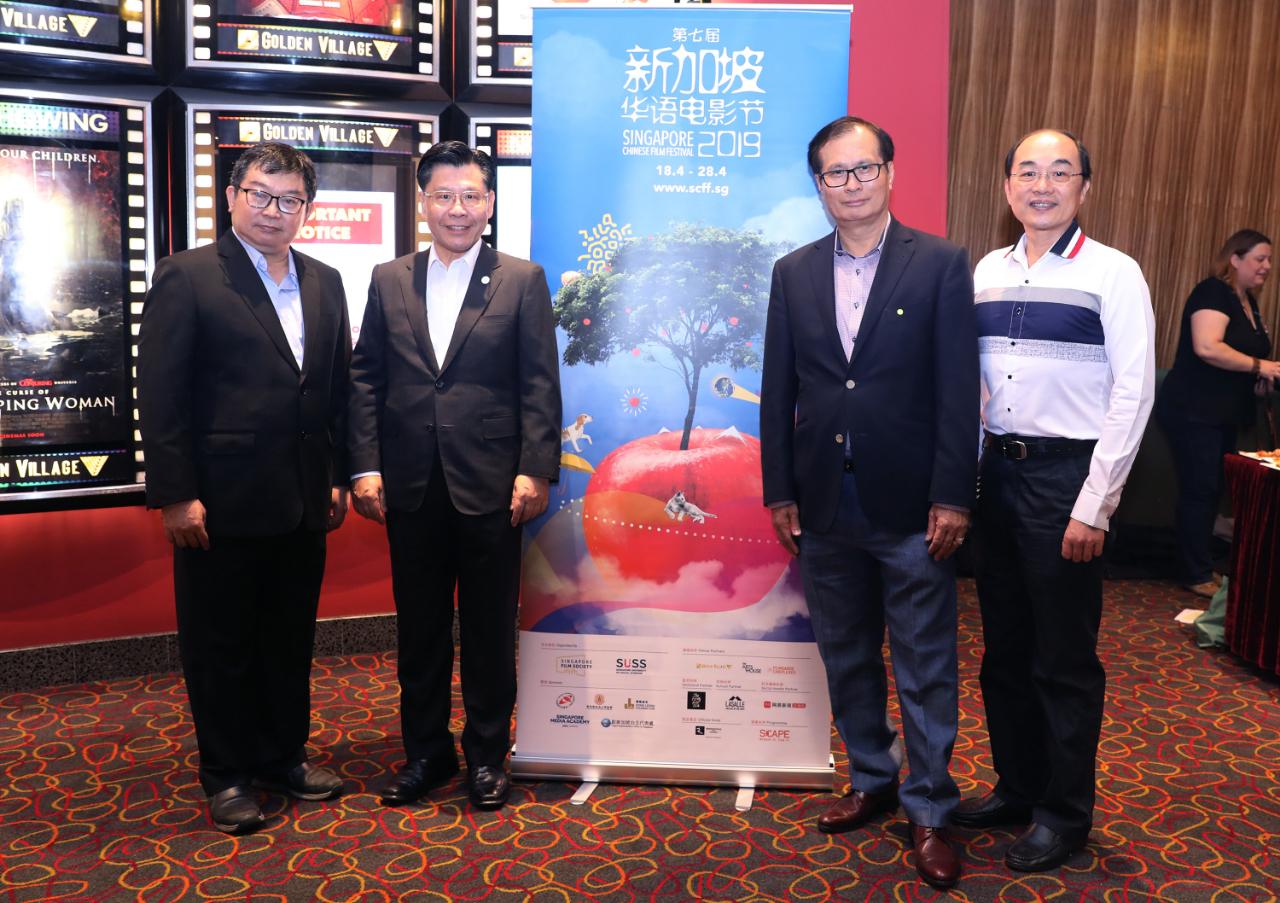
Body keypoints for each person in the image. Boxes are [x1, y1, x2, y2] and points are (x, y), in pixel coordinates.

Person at [760, 115, 979, 890]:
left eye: (863, 169)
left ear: (890, 171)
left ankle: (929, 808)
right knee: (846, 654)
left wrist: (955, 493)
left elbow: (959, 391)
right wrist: (778, 487)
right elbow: (778, 390)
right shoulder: (792, 272)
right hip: (822, 504)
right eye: (833, 173)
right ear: (817, 184)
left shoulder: (942, 265)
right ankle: (872, 776)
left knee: (924, 664)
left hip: (914, 506)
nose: (850, 185)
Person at [954, 129, 1156, 872]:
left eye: (1060, 171)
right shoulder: (986, 271)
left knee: (1063, 659)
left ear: (1084, 189)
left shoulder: (1115, 273)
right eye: (1027, 171)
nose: (1042, 184)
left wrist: (1094, 504)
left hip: (1067, 478)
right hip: (997, 478)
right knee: (1002, 650)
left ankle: (1064, 813)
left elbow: (1134, 393)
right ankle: (1017, 785)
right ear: (1008, 187)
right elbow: (973, 379)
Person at [137, 142, 351, 834]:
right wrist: (175, 491)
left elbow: (335, 391)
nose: (273, 211)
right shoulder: (189, 276)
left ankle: (283, 755)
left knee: (289, 639)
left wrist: (340, 474)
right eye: (260, 193)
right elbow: (161, 393)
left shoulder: (325, 280)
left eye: (289, 199)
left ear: (306, 211)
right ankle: (226, 774)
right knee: (221, 643)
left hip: (302, 500)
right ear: (232, 196)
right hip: (218, 502)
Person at [348, 140, 561, 811]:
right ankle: (425, 752)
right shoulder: (389, 278)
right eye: (444, 195)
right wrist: (364, 463)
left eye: (471, 195)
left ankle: (488, 755)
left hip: (494, 485)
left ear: (490, 203)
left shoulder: (522, 279)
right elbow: (365, 378)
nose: (457, 208)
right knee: (421, 628)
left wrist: (535, 468)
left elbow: (539, 383)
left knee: (491, 627)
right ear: (423, 201)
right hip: (409, 484)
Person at [1156, 230, 1277, 597]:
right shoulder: (1212, 292)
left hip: (1223, 412)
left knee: (1212, 490)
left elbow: (1241, 360)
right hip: (1194, 410)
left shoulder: (1248, 302)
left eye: (1269, 260)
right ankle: (1194, 573)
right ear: (1235, 259)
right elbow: (1207, 347)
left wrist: (1257, 376)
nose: (1267, 267)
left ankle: (1201, 564)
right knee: (1201, 490)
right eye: (1259, 259)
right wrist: (1262, 366)